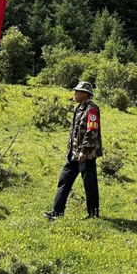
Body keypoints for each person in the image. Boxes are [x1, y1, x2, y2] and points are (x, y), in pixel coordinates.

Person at [44, 81, 103, 220]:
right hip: (74, 153)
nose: (75, 94)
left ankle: (93, 214)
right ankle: (57, 212)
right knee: (64, 180)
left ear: (86, 94)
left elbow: (92, 131)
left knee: (89, 184)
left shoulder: (92, 109)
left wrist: (85, 151)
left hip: (86, 154)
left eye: (78, 91)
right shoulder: (78, 108)